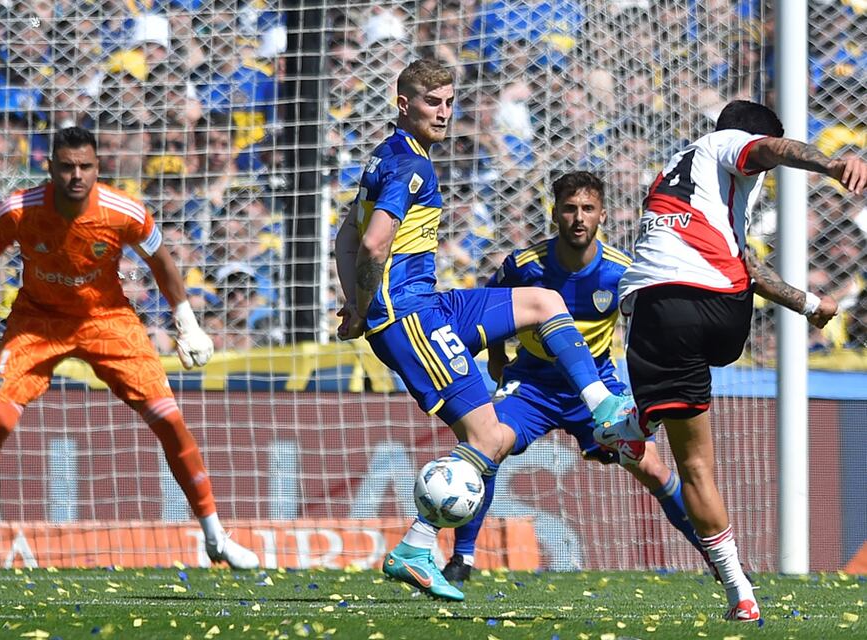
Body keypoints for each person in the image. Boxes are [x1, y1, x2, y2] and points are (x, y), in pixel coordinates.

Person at [334, 59, 633, 601]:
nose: (444, 113)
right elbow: (374, 243)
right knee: (488, 438)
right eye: (432, 103)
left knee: (543, 302)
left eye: (449, 102)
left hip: (431, 303)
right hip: (409, 316)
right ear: (404, 104)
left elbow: (344, 238)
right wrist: (371, 306)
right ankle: (417, 545)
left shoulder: (389, 157)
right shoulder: (409, 168)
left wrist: (356, 305)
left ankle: (600, 403)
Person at [0, 126, 259, 573]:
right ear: (50, 168)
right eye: (66, 167)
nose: (75, 176)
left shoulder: (124, 211)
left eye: (84, 167)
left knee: (170, 420)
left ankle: (216, 536)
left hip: (108, 320)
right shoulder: (18, 210)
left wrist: (187, 324)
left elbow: (161, 261)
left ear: (97, 168)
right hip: (37, 321)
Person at [597, 100, 867, 621]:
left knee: (695, 469)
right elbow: (771, 149)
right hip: (720, 312)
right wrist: (833, 164)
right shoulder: (724, 145)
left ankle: (740, 590)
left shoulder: (682, 181)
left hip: (661, 312)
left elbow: (746, 264)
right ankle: (634, 423)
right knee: (695, 447)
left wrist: (809, 304)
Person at [441, 171, 713, 584]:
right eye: (569, 208)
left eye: (587, 208)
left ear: (602, 214)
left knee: (654, 468)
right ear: (555, 214)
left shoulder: (621, 272)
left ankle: (714, 556)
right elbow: (486, 306)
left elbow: (651, 327)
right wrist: (496, 355)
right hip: (533, 385)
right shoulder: (524, 265)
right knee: (485, 444)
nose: (578, 218)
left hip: (596, 389)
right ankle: (462, 560)